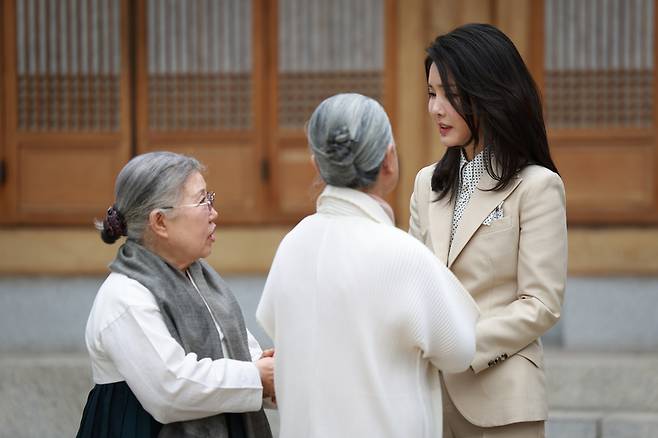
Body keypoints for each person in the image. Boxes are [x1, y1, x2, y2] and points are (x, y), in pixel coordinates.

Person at [256, 93, 479, 438]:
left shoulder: (292, 245)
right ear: (389, 160)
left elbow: (273, 322)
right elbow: (460, 350)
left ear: (316, 164)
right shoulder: (403, 255)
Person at [409, 23, 567, 437]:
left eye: (451, 95)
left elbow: (540, 303)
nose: (435, 109)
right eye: (431, 93)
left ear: (491, 94)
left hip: (505, 402)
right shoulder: (427, 184)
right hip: (429, 400)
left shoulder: (536, 186)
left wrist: (460, 344)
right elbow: (413, 286)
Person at [76, 151, 274, 438]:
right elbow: (170, 389)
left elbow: (241, 356)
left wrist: (271, 376)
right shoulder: (125, 295)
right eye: (202, 200)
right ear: (159, 222)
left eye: (211, 199)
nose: (213, 212)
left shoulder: (200, 277)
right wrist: (258, 377)